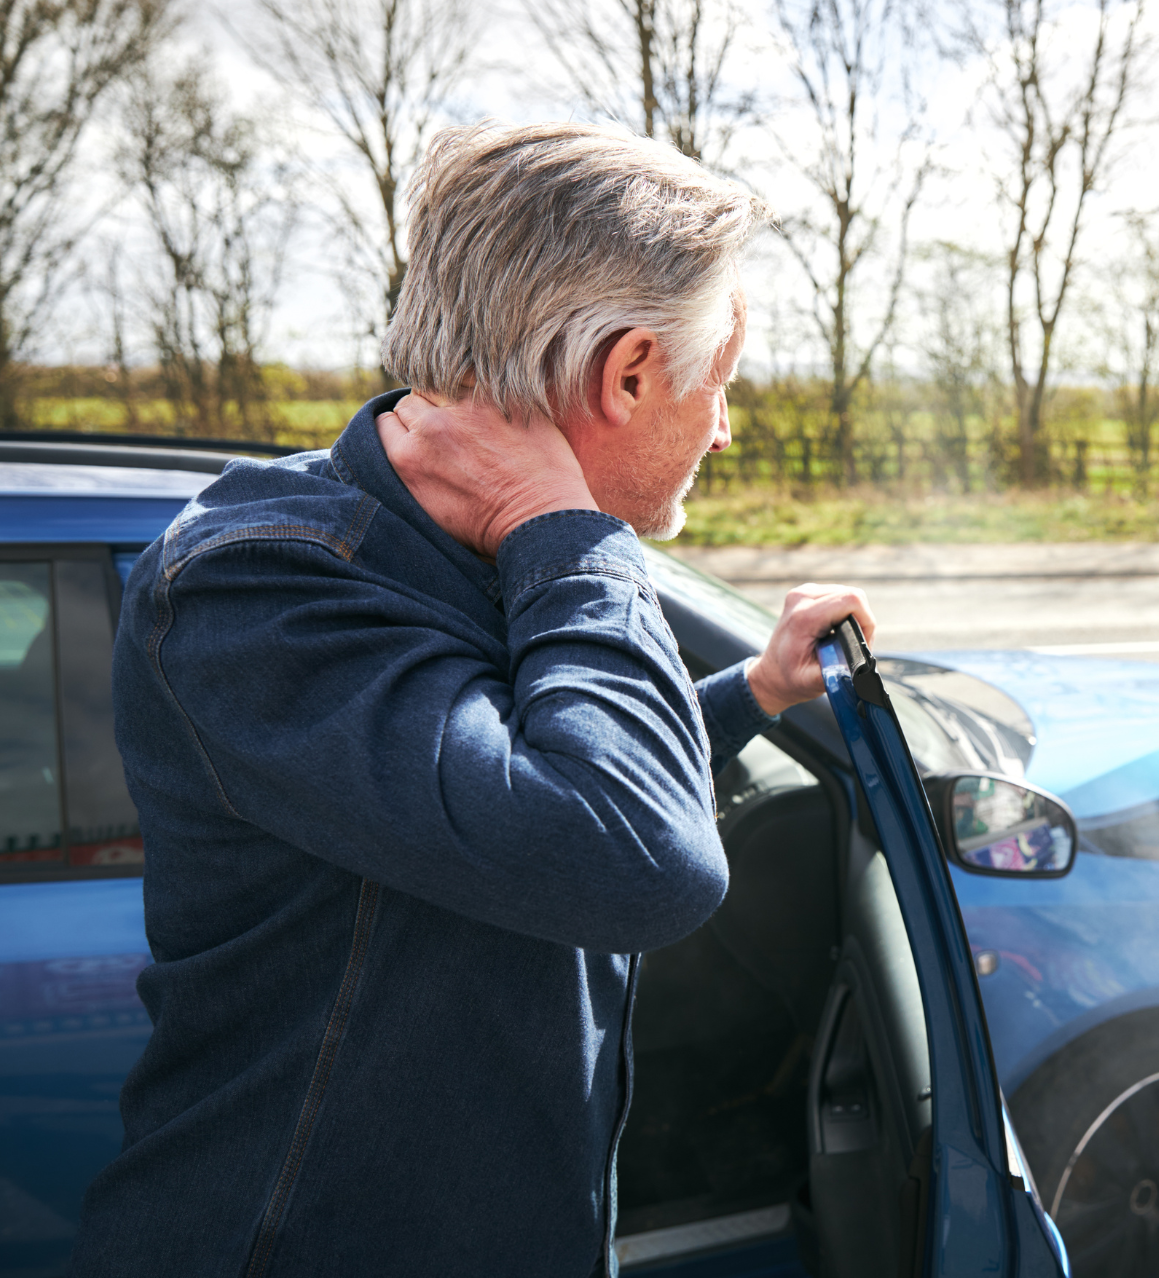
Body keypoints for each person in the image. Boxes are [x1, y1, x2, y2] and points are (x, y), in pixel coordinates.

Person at [71, 121, 874, 1278]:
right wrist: (568, 533)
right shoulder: (259, 586)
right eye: (720, 383)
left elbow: (519, 785)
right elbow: (635, 858)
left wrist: (747, 691)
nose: (725, 425)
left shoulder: (485, 555)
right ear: (629, 372)